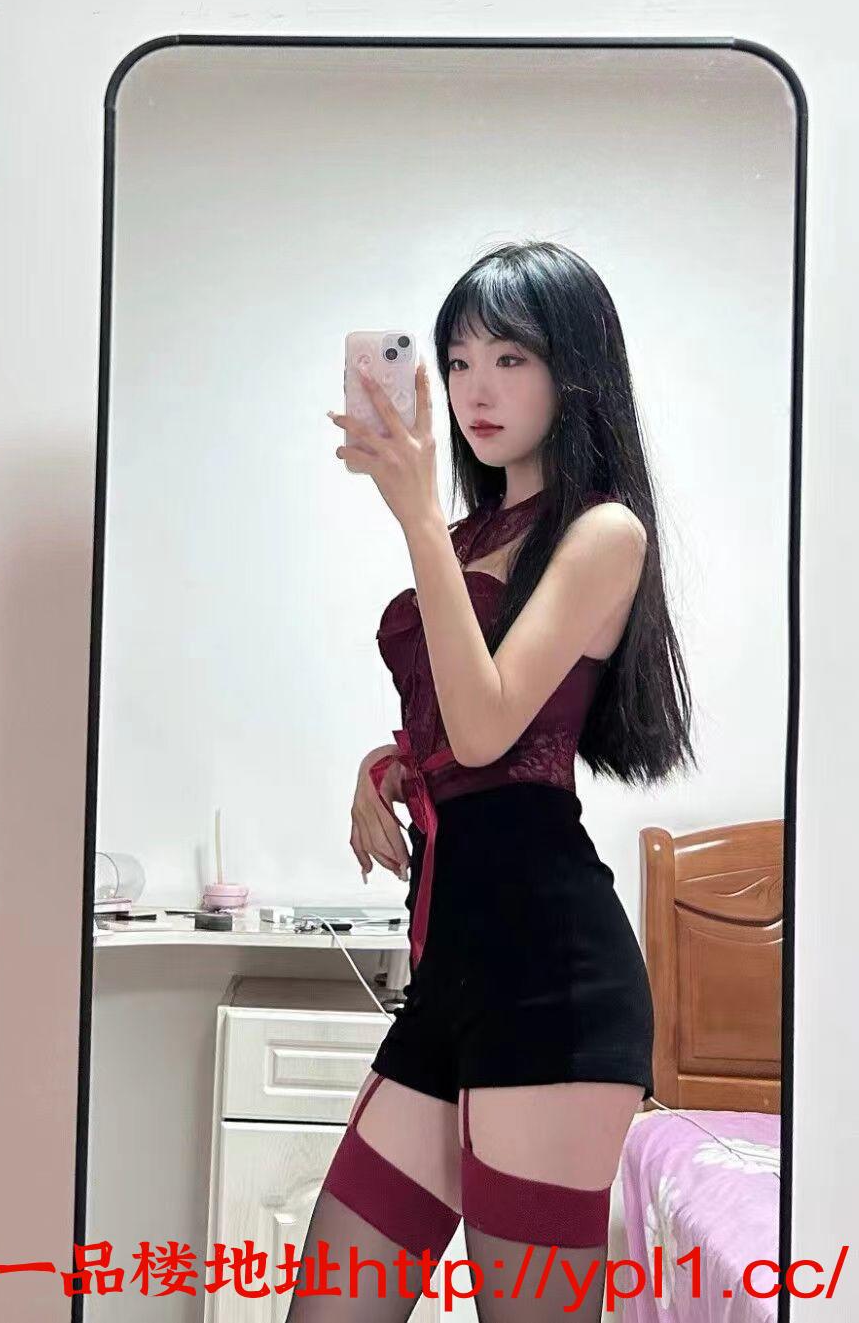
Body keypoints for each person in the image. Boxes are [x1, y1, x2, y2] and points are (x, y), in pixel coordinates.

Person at [284, 242, 696, 1321]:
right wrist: (384, 766)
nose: (477, 389)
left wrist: (415, 514)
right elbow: (460, 730)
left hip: (552, 981)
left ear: (574, 371)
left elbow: (487, 729)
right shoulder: (469, 533)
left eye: (511, 358)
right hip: (452, 974)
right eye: (459, 360)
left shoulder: (603, 531)